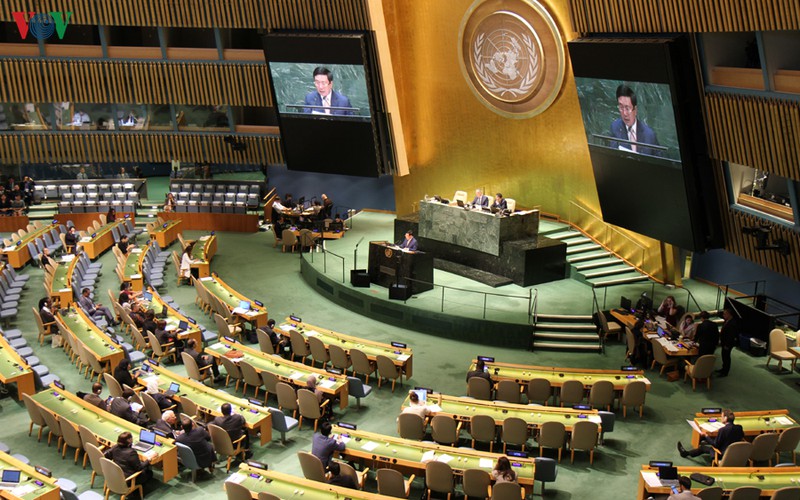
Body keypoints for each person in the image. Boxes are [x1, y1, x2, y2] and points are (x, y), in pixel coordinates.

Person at [609, 84, 661, 156]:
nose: (624, 113)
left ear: (635, 110)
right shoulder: (615, 128)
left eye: (627, 108)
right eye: (621, 107)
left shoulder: (649, 135)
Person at [678, 409, 744, 459]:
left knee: (702, 448)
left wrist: (706, 435)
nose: (721, 418)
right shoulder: (739, 427)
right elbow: (741, 437)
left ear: (726, 418)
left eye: (722, 416)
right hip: (736, 453)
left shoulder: (723, 430)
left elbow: (715, 445)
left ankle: (685, 453)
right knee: (711, 439)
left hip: (723, 454)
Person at [717, 308, 741, 377]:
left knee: (726, 357)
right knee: (724, 356)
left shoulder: (732, 324)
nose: (723, 315)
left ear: (729, 314)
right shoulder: (727, 321)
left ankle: (725, 372)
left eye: (725, 314)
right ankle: (723, 368)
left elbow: (731, 336)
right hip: (724, 343)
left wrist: (727, 345)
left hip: (727, 344)